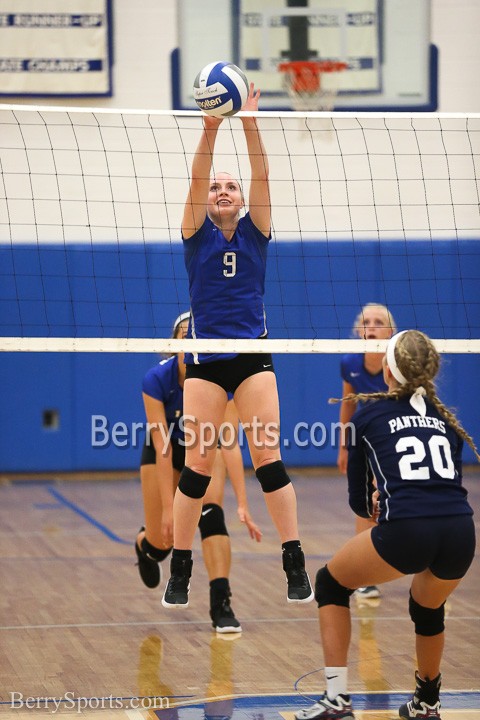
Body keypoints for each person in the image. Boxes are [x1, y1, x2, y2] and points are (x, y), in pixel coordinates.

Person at [162, 83, 313, 608]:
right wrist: (210, 130)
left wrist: (248, 121)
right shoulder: (194, 233)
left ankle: (293, 559)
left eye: (231, 186)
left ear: (243, 200)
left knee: (267, 454)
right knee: (198, 463)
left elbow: (262, 174)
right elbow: (198, 176)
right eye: (217, 186)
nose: (223, 189)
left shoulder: (257, 230)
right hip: (206, 359)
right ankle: (181, 568)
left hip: (251, 356)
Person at [295, 330, 478, 720]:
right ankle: (427, 702)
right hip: (461, 533)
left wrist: (378, 505)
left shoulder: (366, 415)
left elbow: (358, 501)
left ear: (388, 371)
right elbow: (445, 484)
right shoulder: (447, 420)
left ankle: (336, 700)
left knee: (330, 582)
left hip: (409, 530)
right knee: (428, 607)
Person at [135, 312, 262, 633]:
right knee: (161, 543)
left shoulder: (222, 381)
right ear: (173, 342)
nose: (191, 337)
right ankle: (143, 546)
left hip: (205, 447)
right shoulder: (156, 380)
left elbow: (229, 443)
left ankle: (221, 603)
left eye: (198, 333)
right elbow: (162, 448)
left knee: (210, 514)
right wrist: (167, 508)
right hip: (166, 452)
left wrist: (243, 503)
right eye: (184, 333)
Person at [337, 303, 396, 600]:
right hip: (366, 442)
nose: (371, 326)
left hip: (396, 442)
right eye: (366, 322)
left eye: (378, 322)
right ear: (359, 331)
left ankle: (425, 565)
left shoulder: (399, 362)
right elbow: (348, 402)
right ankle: (364, 574)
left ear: (390, 331)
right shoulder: (350, 362)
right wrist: (343, 447)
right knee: (364, 502)